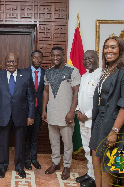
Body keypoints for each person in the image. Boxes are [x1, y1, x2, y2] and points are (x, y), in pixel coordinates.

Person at [89, 36, 124, 187]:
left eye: (113, 47)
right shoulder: (107, 70)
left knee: (107, 163)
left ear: (120, 50)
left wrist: (114, 131)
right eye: (106, 47)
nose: (108, 50)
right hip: (100, 120)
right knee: (96, 158)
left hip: (112, 122)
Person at [0, 53, 35, 179]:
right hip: (2, 115)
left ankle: (19, 167)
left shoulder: (26, 75)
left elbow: (31, 98)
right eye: (9, 61)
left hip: (21, 115)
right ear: (5, 62)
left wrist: (31, 116)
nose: (11, 64)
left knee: (20, 143)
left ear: (17, 62)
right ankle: (2, 166)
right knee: (2, 142)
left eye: (14, 61)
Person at [42, 46, 80, 180]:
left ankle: (67, 166)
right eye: (53, 56)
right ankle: (56, 163)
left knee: (68, 143)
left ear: (63, 55)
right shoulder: (48, 72)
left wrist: (72, 111)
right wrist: (44, 109)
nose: (55, 58)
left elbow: (76, 92)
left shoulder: (72, 70)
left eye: (58, 55)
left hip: (66, 114)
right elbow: (46, 91)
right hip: (52, 112)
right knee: (54, 142)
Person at [75, 50, 101, 187]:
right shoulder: (84, 76)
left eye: (90, 58)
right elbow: (80, 96)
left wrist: (88, 115)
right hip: (82, 118)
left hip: (93, 120)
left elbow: (101, 101)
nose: (87, 61)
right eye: (85, 59)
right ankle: (90, 174)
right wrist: (78, 110)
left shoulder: (101, 75)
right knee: (86, 148)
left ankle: (96, 178)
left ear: (97, 59)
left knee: (94, 150)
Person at [24, 50, 45, 170]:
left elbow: (45, 92)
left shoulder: (45, 73)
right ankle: (26, 159)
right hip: (27, 110)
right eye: (34, 57)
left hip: (38, 110)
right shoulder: (24, 72)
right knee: (26, 136)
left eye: (39, 58)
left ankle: (34, 159)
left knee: (35, 136)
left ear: (42, 59)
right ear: (31, 58)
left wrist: (44, 111)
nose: (37, 60)